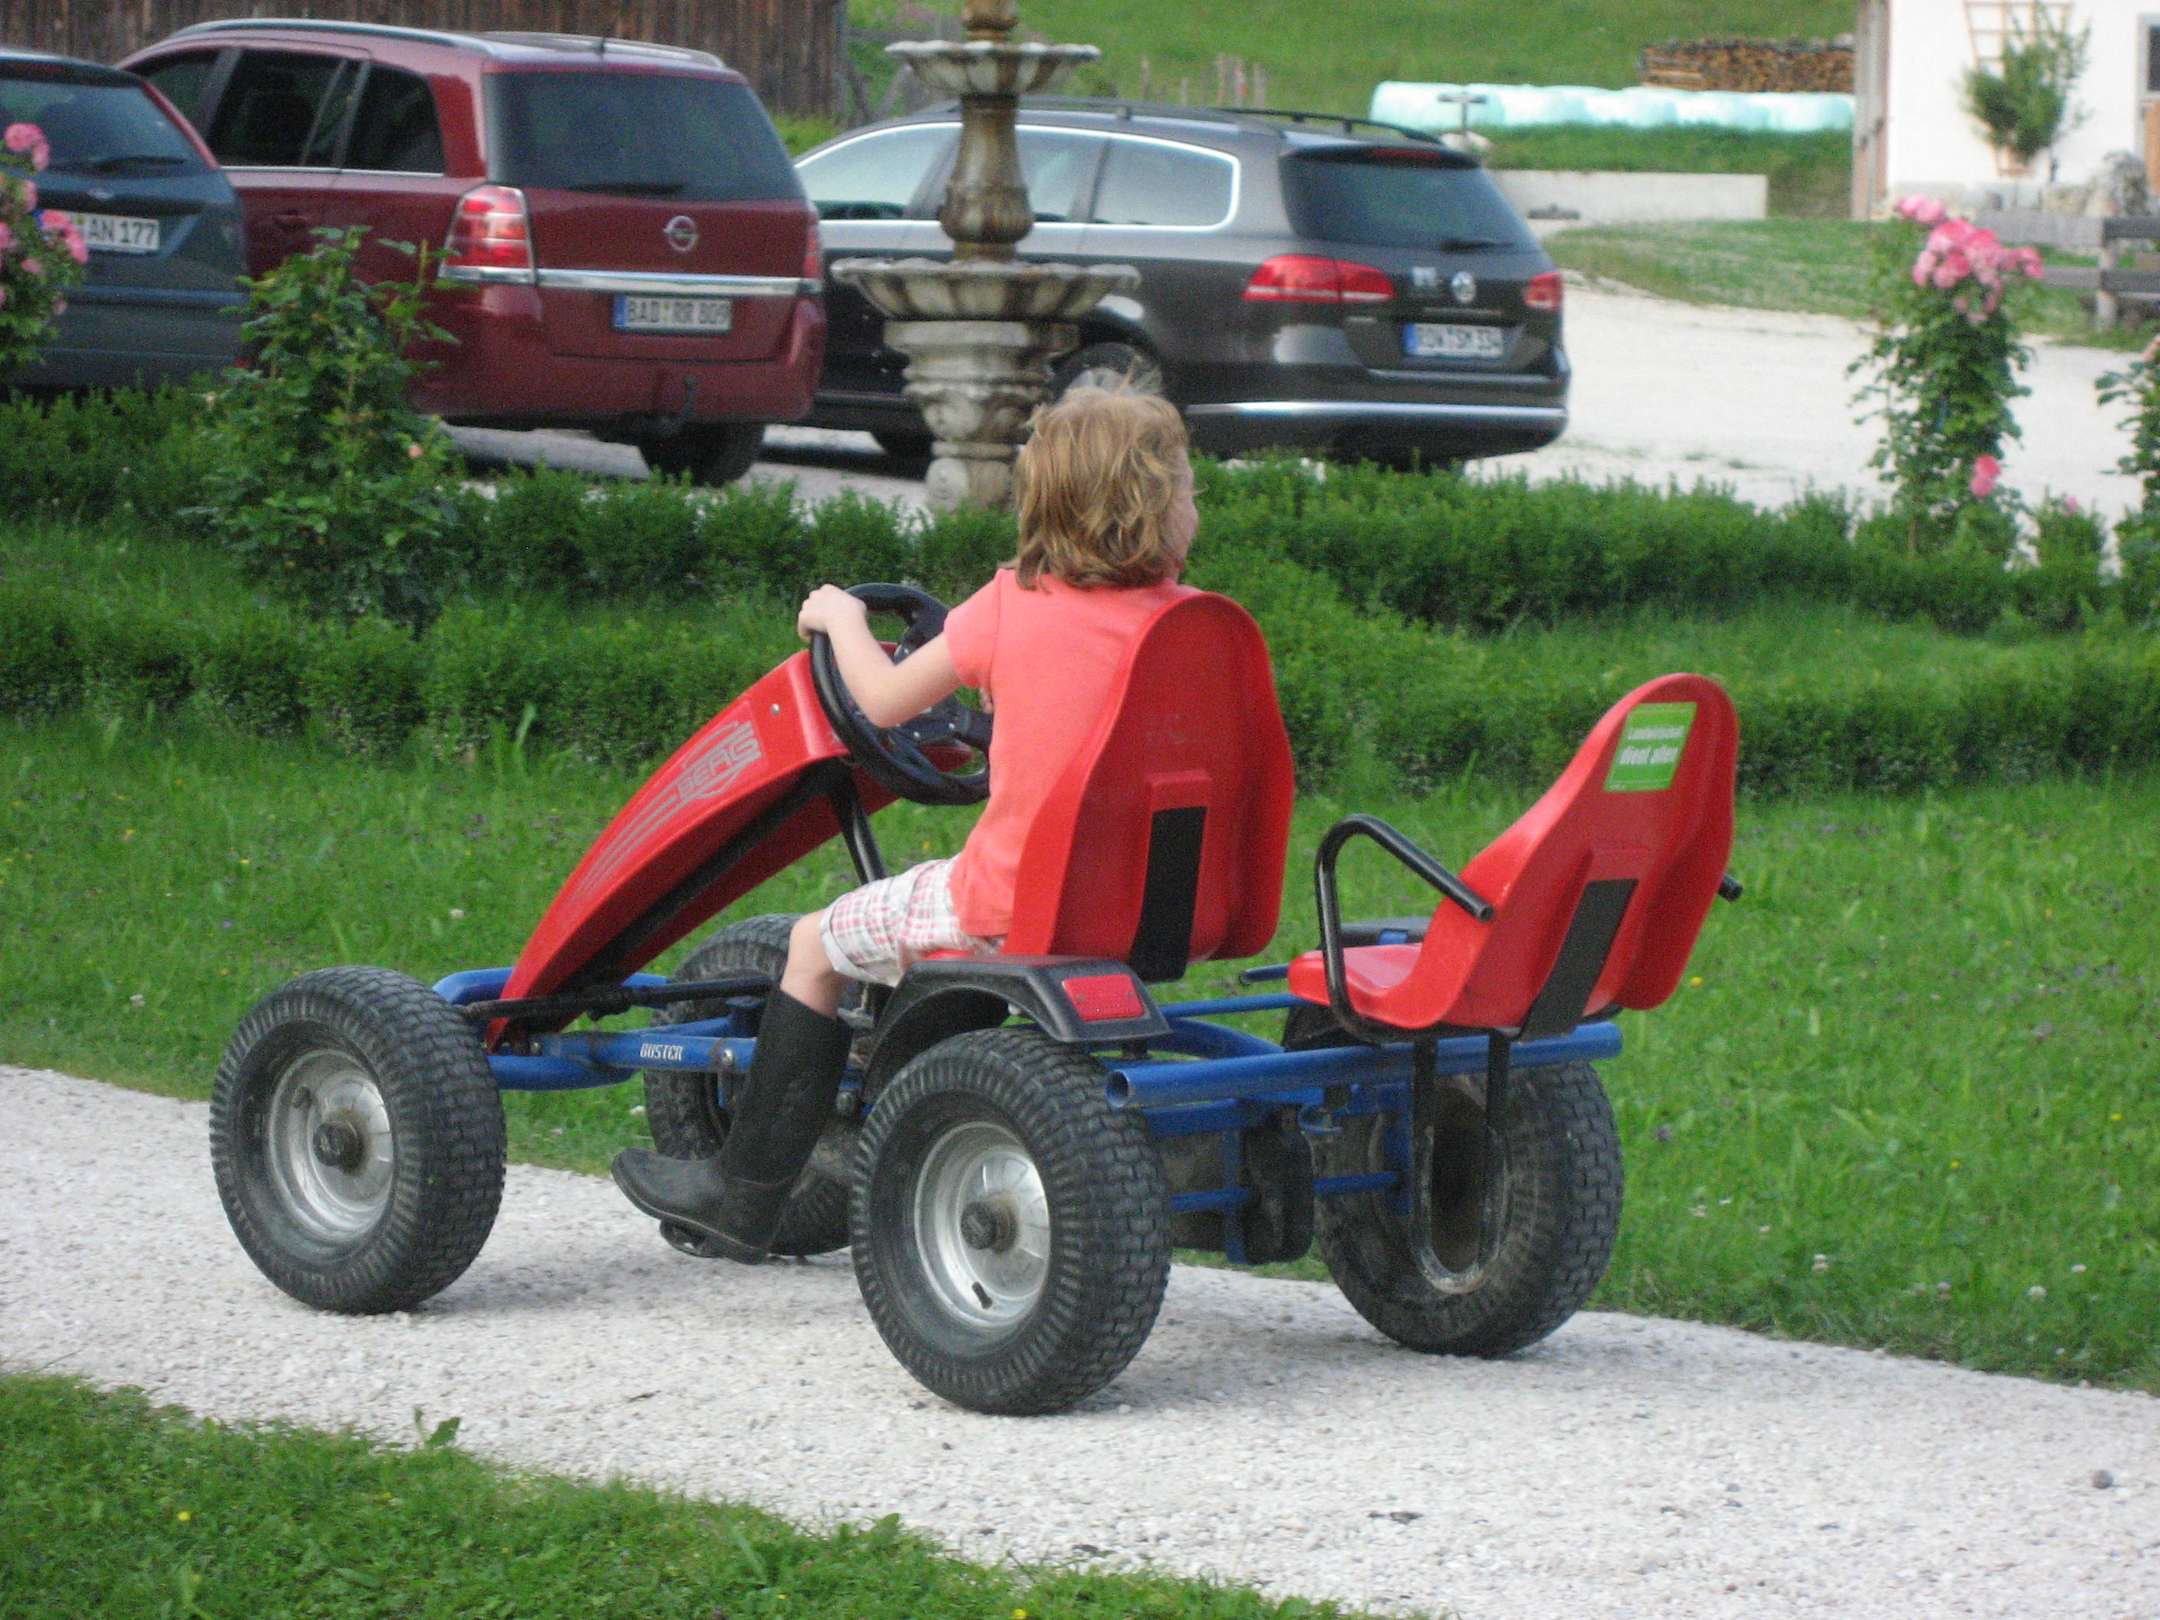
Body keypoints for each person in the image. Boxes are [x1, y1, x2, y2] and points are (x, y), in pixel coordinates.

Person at [611, 386, 1204, 1262]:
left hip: (1006, 905)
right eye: (1187, 487)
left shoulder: (1007, 609)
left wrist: (843, 618)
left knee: (813, 944)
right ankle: (893, 1082)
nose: (1194, 503)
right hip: (1151, 903)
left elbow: (885, 700)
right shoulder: (1186, 626)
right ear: (1159, 509)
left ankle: (741, 1194)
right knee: (898, 914)